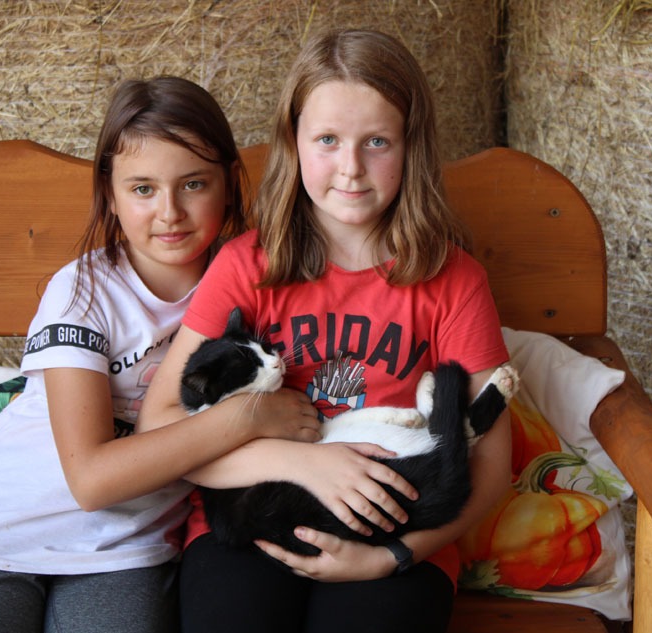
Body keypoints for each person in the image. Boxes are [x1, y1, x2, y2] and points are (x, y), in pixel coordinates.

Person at [0, 76, 321, 633]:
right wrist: (248, 418)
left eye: (193, 184)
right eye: (143, 189)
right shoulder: (83, 291)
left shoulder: (246, 282)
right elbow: (91, 481)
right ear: (110, 193)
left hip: (127, 547)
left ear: (228, 184)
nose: (170, 212)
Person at [138, 29, 512, 633]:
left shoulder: (454, 280)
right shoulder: (246, 264)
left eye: (377, 142)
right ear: (294, 142)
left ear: (411, 146)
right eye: (328, 140)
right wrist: (302, 464)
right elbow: (161, 428)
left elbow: (491, 462)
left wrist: (394, 557)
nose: (351, 168)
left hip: (396, 528)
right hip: (249, 519)